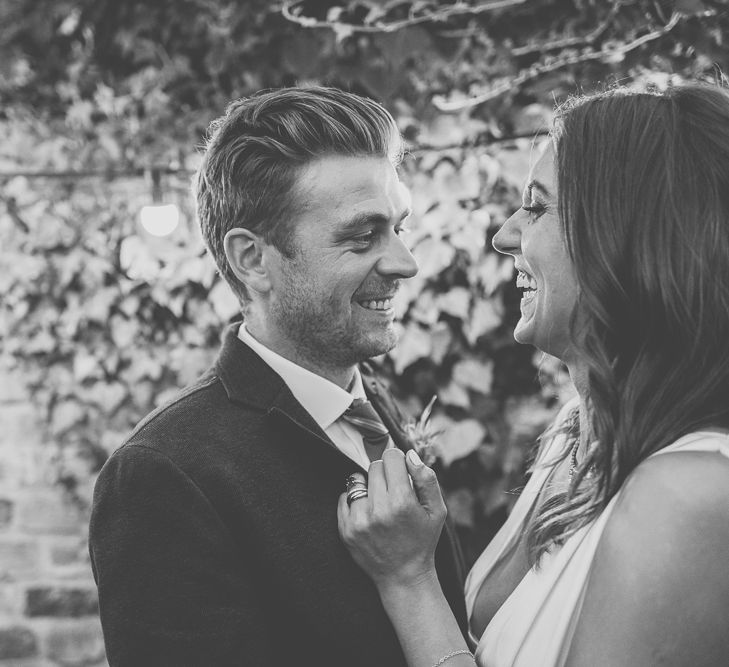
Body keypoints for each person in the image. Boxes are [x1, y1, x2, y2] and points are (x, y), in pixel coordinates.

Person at [338, 82, 729, 667]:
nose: (505, 235)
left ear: (627, 236)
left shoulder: (691, 498)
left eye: (538, 206)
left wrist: (408, 581)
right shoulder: (575, 434)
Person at [89, 86, 468, 666]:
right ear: (252, 259)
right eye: (362, 236)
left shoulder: (374, 408)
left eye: (400, 227)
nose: (404, 263)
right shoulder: (164, 473)